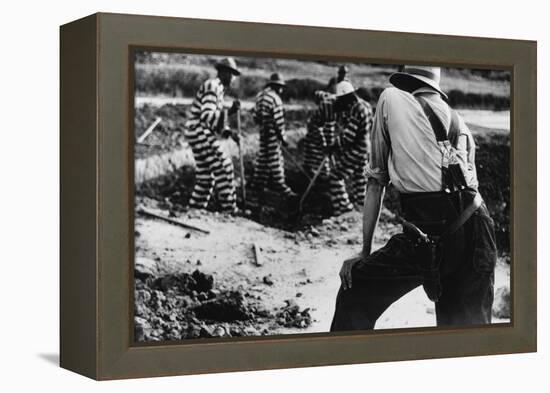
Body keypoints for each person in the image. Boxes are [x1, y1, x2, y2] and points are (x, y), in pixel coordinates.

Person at [330, 66, 497, 331]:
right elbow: (469, 187)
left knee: (356, 288)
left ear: (406, 80)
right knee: (465, 339)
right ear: (435, 86)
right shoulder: (460, 122)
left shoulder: (391, 98)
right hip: (479, 231)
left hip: (431, 230)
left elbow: (376, 182)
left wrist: (364, 251)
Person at [184, 57, 241, 213]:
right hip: (199, 130)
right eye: (232, 74)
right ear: (223, 72)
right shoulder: (212, 86)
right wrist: (230, 112)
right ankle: (230, 210)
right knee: (224, 167)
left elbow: (215, 121)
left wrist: (230, 133)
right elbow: (207, 116)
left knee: (206, 177)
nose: (234, 78)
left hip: (198, 132)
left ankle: (194, 210)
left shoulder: (218, 89)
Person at [326, 81, 374, 215]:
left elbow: (349, 136)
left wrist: (333, 146)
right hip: (366, 149)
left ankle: (345, 209)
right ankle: (363, 210)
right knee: (359, 180)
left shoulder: (357, 109)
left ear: (348, 97)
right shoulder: (367, 106)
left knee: (335, 176)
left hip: (357, 150)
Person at [249, 73, 296, 202]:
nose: (282, 89)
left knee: (263, 160)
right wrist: (283, 139)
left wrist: (263, 125)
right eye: (281, 86)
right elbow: (278, 123)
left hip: (263, 134)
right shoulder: (275, 99)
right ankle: (283, 188)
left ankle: (256, 186)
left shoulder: (260, 96)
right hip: (272, 135)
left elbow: (255, 117)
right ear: (277, 86)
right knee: (275, 160)